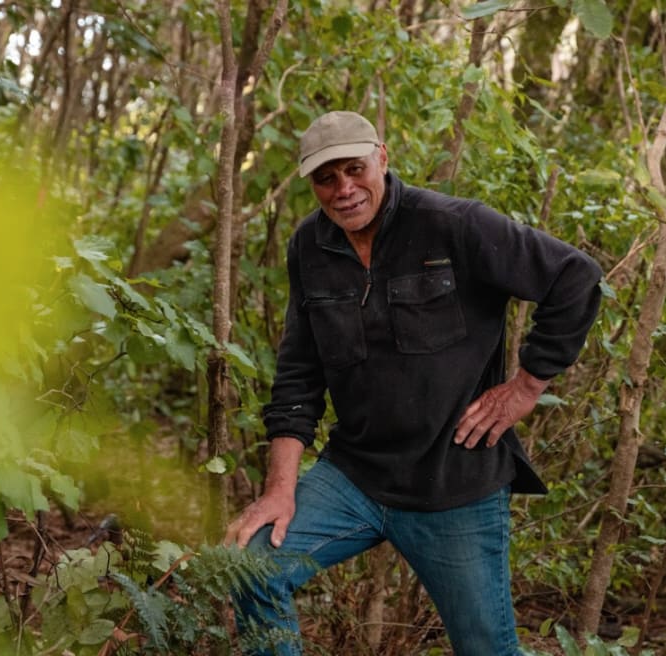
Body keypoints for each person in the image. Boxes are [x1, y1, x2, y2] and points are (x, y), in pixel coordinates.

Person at [224, 110, 602, 655]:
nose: (344, 190)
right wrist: (279, 490)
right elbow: (299, 373)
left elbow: (575, 277)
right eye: (326, 179)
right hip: (354, 477)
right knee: (253, 567)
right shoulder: (310, 245)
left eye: (355, 169)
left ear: (382, 156)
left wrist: (524, 387)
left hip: (454, 482)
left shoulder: (454, 224)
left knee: (486, 648)